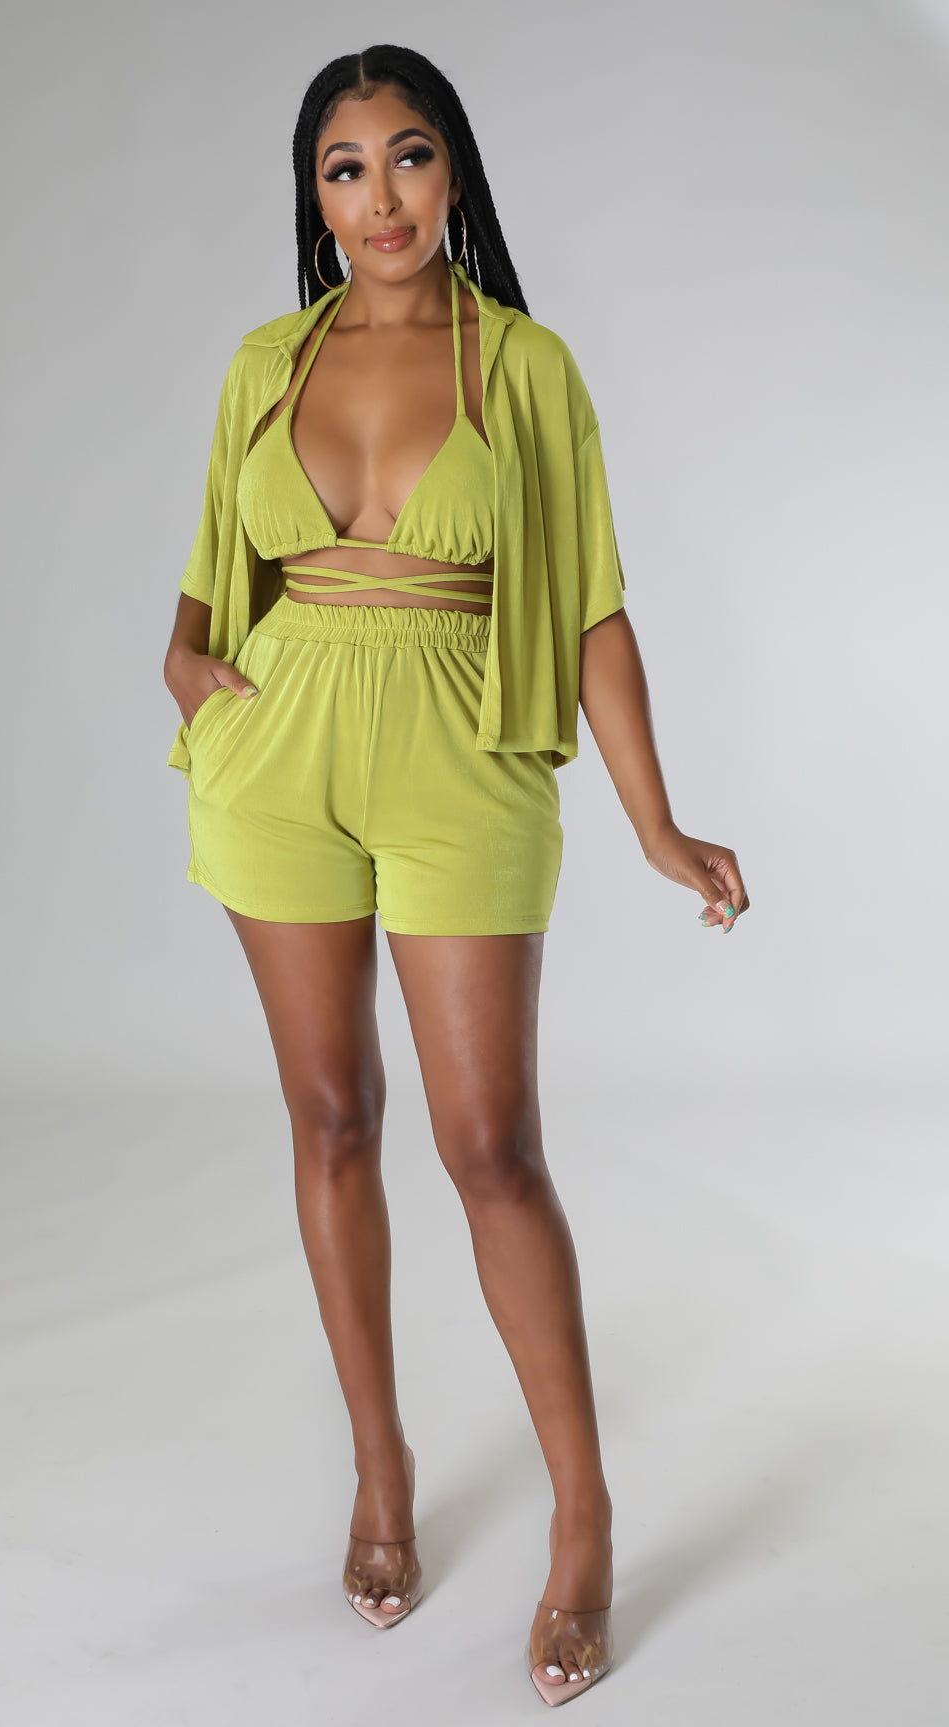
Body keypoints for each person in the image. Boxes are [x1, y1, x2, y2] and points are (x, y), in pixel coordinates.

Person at [163, 43, 749, 1707]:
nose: (381, 197)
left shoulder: (528, 367)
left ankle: (583, 1517)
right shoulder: (265, 362)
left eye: (408, 156)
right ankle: (382, 1472)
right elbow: (208, 580)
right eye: (344, 169)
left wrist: (654, 821)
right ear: (314, 197)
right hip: (280, 765)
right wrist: (188, 670)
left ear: (456, 171)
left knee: (492, 1147)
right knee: (331, 1119)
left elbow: (592, 607)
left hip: (459, 765)